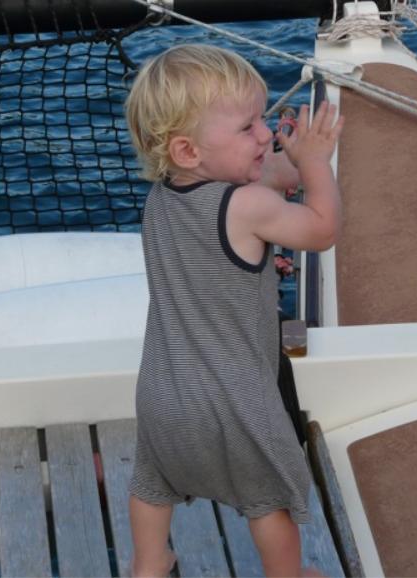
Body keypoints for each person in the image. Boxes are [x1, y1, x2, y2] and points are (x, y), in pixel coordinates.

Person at [124, 43, 344, 578]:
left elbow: (253, 195)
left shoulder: (162, 199)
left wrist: (286, 165)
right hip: (235, 399)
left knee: (153, 485)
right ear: (187, 150)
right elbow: (321, 229)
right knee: (267, 501)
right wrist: (316, 164)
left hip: (163, 391)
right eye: (248, 128)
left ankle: (149, 566)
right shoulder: (248, 207)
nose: (265, 135)